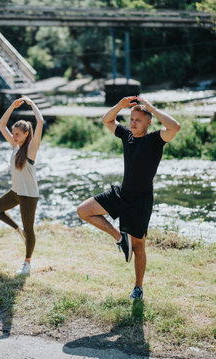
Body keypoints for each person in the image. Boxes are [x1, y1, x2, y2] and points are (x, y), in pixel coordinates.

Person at [77, 95, 180, 300]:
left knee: (139, 246)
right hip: (121, 194)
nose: (133, 123)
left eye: (138, 120)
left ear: (148, 122)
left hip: (141, 201)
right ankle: (119, 237)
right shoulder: (127, 136)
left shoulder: (155, 140)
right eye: (131, 119)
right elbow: (107, 120)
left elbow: (175, 127)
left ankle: (138, 288)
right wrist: (120, 106)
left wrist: (153, 108)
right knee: (83, 211)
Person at [0, 96, 44, 276]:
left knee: (30, 229)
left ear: (27, 134)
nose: (14, 136)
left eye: (18, 134)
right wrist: (12, 106)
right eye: (13, 133)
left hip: (28, 195)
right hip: (15, 192)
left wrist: (32, 104)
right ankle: (16, 229)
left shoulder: (31, 149)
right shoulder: (15, 146)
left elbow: (41, 121)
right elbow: (0, 125)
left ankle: (27, 263)